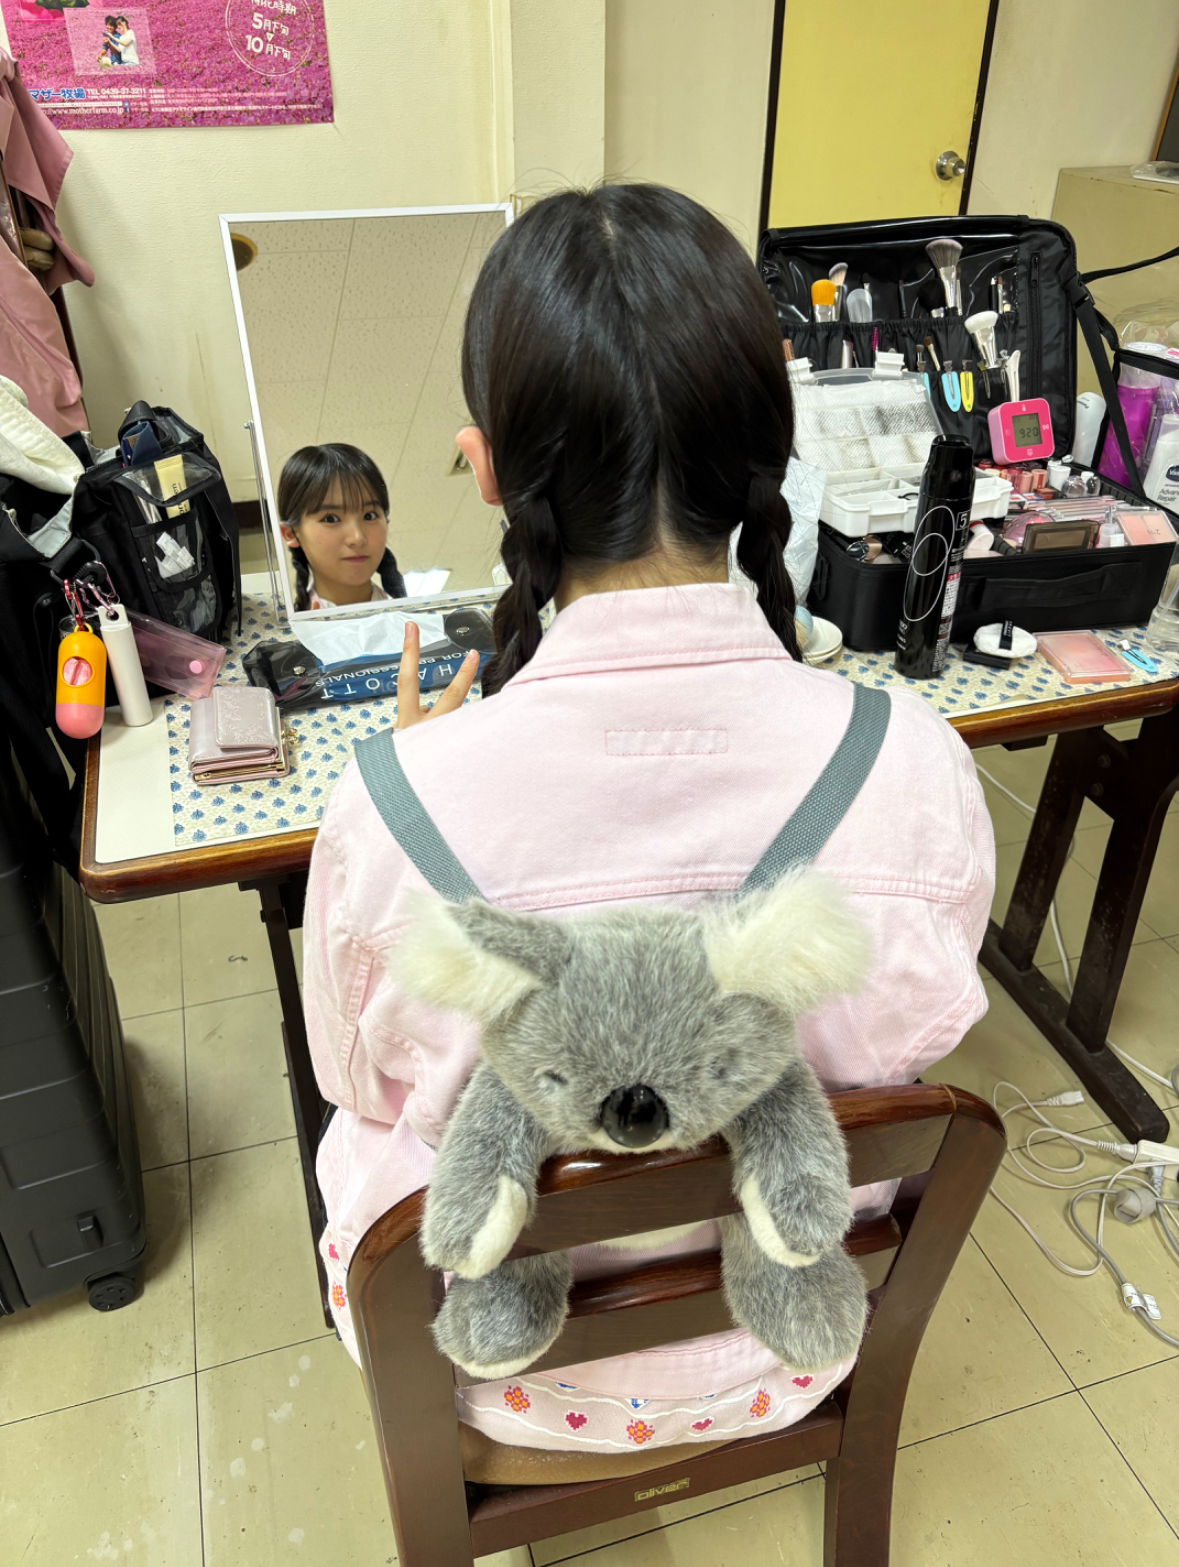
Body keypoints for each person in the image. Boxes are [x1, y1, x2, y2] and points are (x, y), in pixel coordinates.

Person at [303, 184, 995, 1455]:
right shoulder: (918, 764)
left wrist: (414, 776)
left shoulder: (385, 805)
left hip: (499, 1378)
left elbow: (353, 1079)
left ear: (487, 470)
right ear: (771, 451)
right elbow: (924, 1036)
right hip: (784, 1349)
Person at [277, 443, 406, 611]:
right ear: (290, 533)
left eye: (369, 516)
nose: (357, 538)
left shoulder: (420, 619)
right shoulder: (279, 626)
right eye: (330, 519)